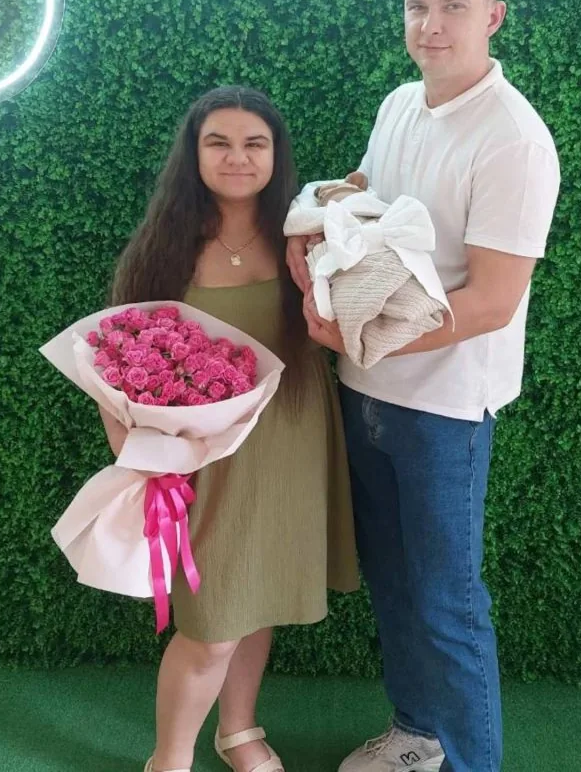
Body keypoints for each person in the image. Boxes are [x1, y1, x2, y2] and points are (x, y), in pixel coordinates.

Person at [288, 0, 561, 772]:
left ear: (494, 16)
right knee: (394, 583)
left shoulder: (514, 140)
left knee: (447, 603)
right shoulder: (401, 104)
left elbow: (492, 300)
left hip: (443, 407)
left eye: (452, 7)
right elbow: (365, 201)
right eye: (417, 7)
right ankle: (417, 736)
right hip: (363, 386)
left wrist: (361, 332)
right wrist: (312, 225)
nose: (431, 26)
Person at [100, 86, 360, 772]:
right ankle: (170, 759)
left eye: (254, 144)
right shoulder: (163, 250)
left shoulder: (304, 241)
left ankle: (238, 730)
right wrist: (133, 448)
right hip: (202, 459)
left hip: (291, 440)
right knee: (212, 621)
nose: (237, 157)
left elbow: (348, 325)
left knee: (258, 593)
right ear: (193, 154)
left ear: (276, 155)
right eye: (218, 142)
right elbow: (113, 354)